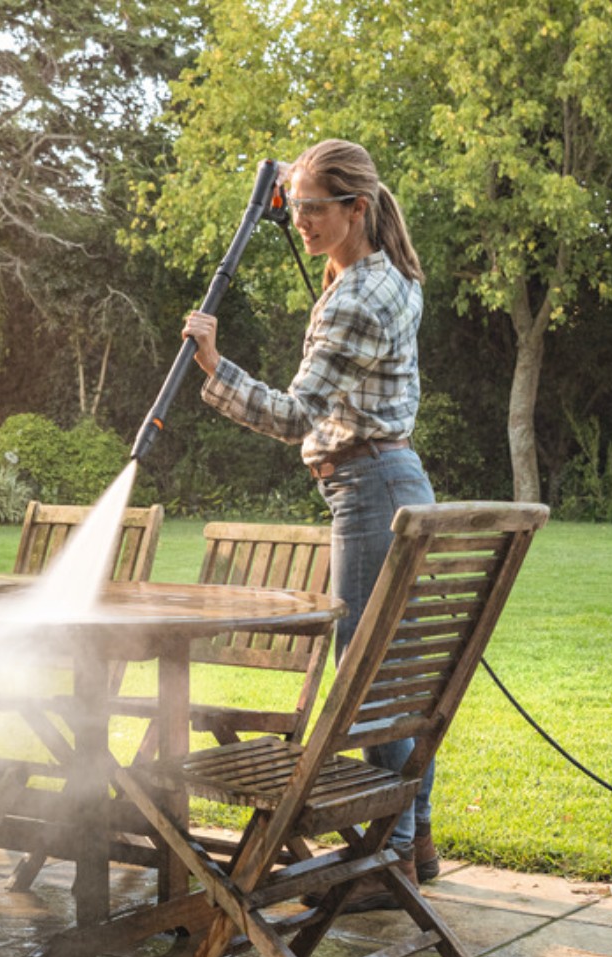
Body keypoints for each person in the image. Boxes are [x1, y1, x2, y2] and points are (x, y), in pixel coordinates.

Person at [181, 138, 438, 912]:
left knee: (366, 677)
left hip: (369, 487)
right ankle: (411, 840)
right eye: (293, 212)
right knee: (391, 673)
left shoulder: (359, 296)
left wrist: (214, 367)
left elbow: (296, 415)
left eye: (313, 211)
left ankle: (386, 855)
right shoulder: (384, 274)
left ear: (357, 207)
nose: (300, 224)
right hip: (387, 480)